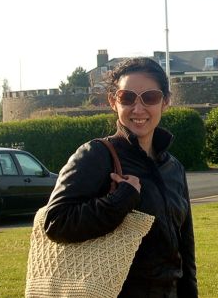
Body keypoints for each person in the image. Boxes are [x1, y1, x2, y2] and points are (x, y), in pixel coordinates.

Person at [44, 57, 198, 298]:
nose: (138, 108)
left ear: (165, 102)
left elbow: (185, 247)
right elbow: (55, 222)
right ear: (113, 102)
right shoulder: (96, 155)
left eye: (150, 97)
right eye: (127, 98)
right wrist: (121, 200)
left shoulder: (173, 167)